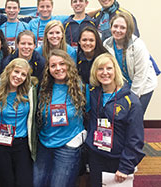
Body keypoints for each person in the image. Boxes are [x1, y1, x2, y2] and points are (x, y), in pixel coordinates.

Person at [85, 53, 145, 187]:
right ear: (95, 72)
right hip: (96, 156)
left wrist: (126, 166)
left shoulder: (131, 101)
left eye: (109, 68)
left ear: (115, 71)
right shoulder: (94, 94)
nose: (105, 73)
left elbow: (135, 138)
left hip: (118, 159)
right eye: (100, 69)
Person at [34, 49, 86, 187]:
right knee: (36, 183)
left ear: (69, 64)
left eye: (62, 64)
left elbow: (90, 112)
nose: (58, 68)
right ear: (48, 69)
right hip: (45, 142)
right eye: (53, 65)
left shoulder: (80, 88)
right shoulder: (43, 87)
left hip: (68, 144)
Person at [0, 58, 37, 187]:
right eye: (16, 72)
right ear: (9, 71)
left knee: (24, 182)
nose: (18, 77)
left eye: (23, 74)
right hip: (1, 142)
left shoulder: (30, 91)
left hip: (22, 143)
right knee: (7, 182)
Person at [103, 12, 157, 113]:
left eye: (122, 27)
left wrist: (132, 98)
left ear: (128, 29)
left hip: (144, 85)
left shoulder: (138, 45)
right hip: (124, 85)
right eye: (115, 26)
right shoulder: (107, 44)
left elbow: (140, 75)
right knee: (122, 116)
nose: (118, 30)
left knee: (135, 115)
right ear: (110, 27)